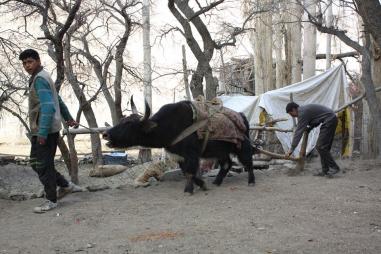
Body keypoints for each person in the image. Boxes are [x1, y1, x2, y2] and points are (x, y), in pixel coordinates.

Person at [19, 49, 81, 213]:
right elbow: (57, 100)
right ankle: (66, 185)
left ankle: (51, 200)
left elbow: (48, 106)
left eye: (30, 62)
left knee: (42, 165)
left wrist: (42, 133)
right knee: (37, 162)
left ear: (38, 61)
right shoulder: (42, 76)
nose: (27, 66)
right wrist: (68, 118)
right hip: (44, 129)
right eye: (24, 63)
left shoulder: (40, 79)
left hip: (44, 130)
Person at [285, 102, 340, 177]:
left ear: (294, 109)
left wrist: (292, 149)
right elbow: (316, 121)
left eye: (291, 114)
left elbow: (298, 132)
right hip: (330, 119)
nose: (293, 116)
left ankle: (334, 167)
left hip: (329, 120)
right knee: (324, 148)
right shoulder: (304, 110)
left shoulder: (302, 112)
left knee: (321, 146)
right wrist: (309, 129)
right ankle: (325, 170)